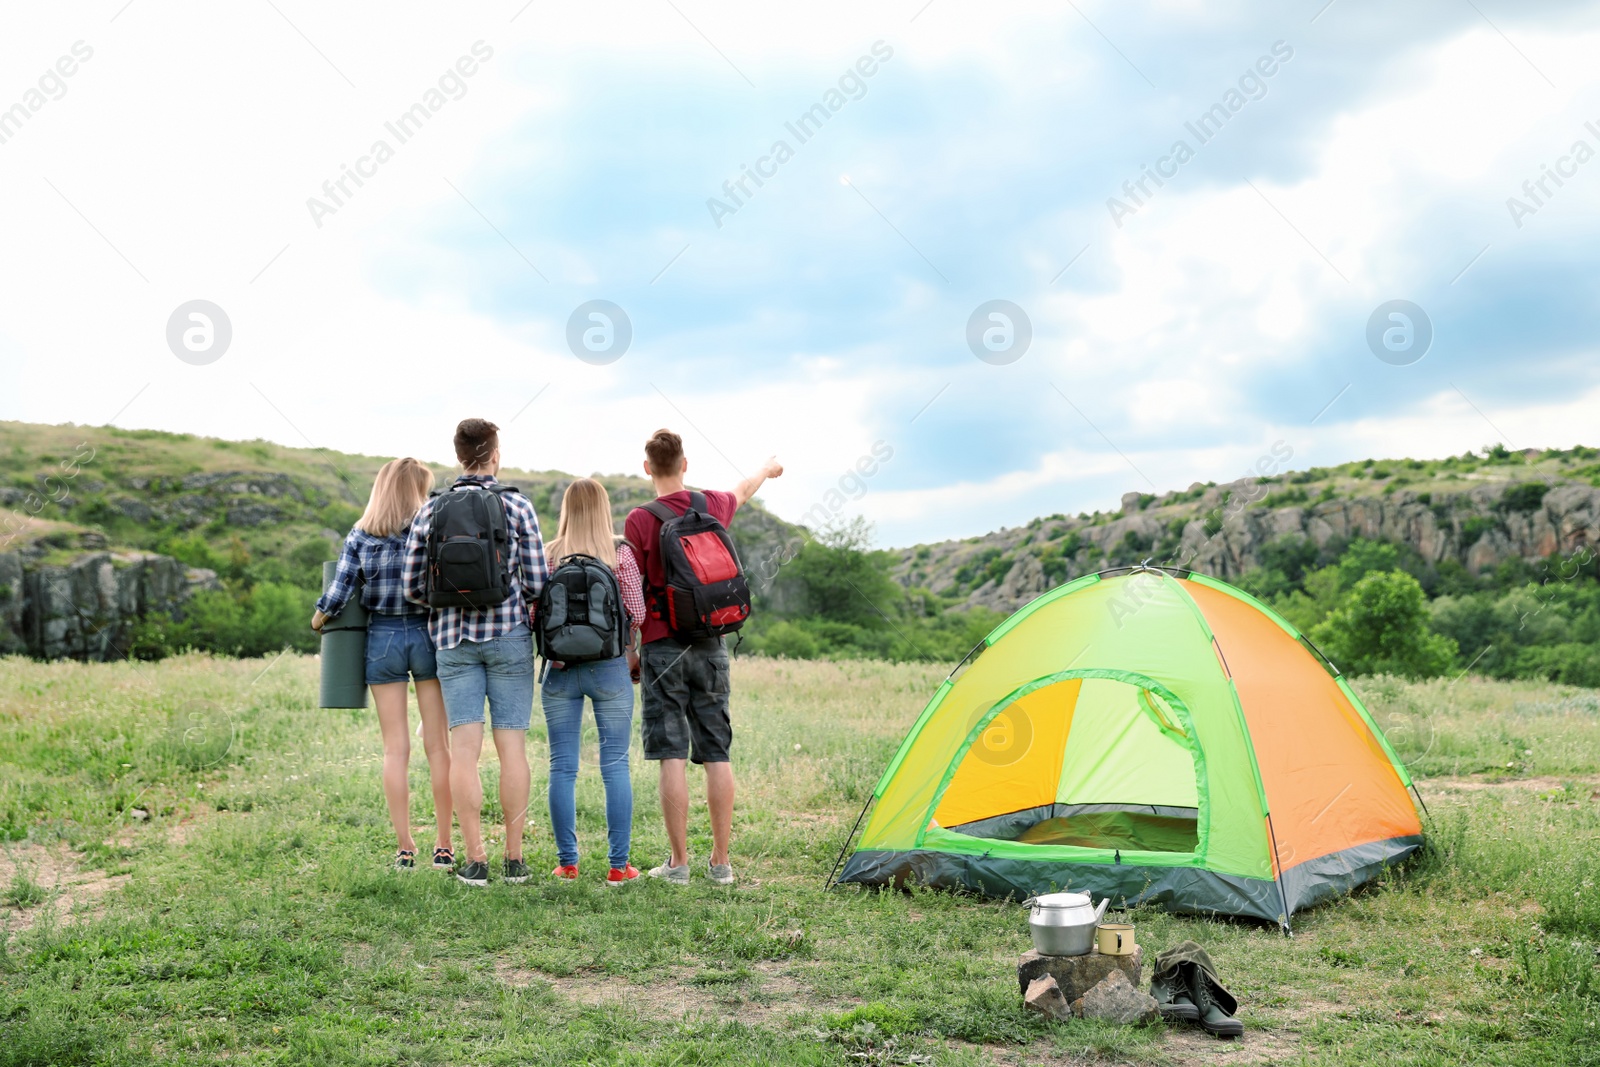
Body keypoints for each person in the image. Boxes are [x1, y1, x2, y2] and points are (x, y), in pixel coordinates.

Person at [624, 429, 782, 886]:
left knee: (671, 754)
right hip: (711, 643)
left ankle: (677, 863)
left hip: (661, 646)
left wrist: (632, 649)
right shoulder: (709, 506)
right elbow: (744, 489)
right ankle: (721, 863)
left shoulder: (638, 520)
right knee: (716, 752)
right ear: (686, 464)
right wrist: (767, 470)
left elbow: (631, 588)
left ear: (647, 467)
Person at [401, 418, 548, 887]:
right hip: (508, 640)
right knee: (512, 749)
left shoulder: (431, 510)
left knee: (463, 752)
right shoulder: (517, 505)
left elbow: (412, 587)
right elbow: (539, 582)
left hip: (453, 643)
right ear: (495, 453)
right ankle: (515, 858)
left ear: (459, 454)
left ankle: (475, 859)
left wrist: (447, 605)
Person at [311, 458, 452, 872]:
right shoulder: (431, 529)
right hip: (427, 634)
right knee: (438, 746)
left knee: (396, 749)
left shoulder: (362, 532)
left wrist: (318, 618)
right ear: (417, 490)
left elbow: (338, 594)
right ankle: (443, 845)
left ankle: (405, 847)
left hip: (382, 639)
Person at [539, 478, 646, 886]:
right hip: (610, 667)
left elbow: (536, 614)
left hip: (560, 669)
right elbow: (636, 613)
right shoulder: (620, 554)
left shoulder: (550, 554)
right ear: (603, 509)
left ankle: (568, 864)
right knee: (615, 763)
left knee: (562, 767)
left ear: (566, 509)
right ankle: (619, 867)